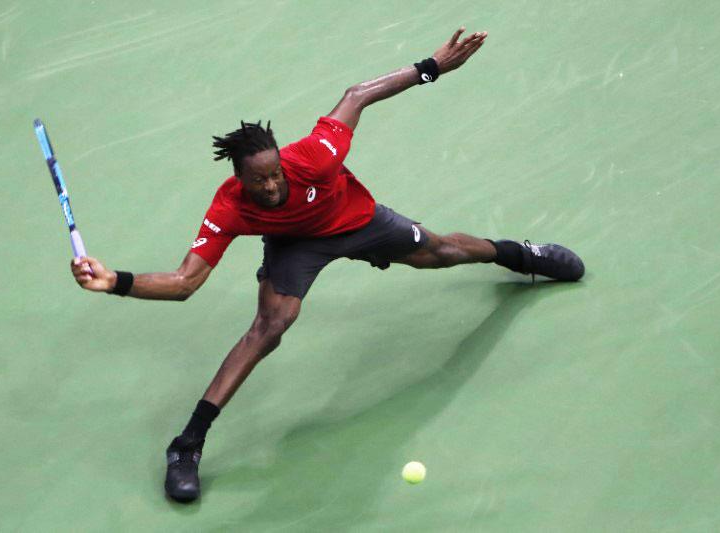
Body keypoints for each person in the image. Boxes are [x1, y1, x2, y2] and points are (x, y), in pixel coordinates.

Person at [70, 26, 584, 503]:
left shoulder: (315, 155)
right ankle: (188, 444)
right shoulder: (229, 206)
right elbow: (185, 283)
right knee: (270, 327)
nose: (270, 188)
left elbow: (358, 94)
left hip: (358, 221)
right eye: (259, 183)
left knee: (444, 253)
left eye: (274, 176)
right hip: (296, 246)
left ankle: (520, 254)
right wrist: (115, 281)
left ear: (281, 161)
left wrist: (431, 67)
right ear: (240, 178)